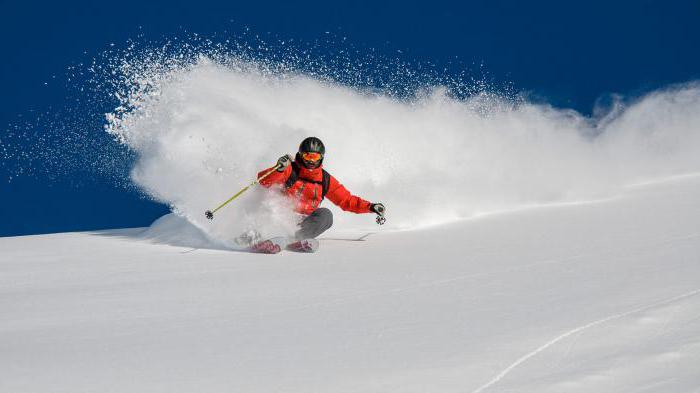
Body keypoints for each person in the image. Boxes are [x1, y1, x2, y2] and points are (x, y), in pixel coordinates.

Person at [251, 136, 385, 252]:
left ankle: (293, 238)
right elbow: (263, 181)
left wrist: (371, 207)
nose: (311, 161)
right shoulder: (289, 169)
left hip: (304, 222)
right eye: (307, 156)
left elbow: (346, 200)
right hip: (281, 215)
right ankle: (254, 235)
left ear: (321, 157)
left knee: (326, 215)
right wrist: (278, 169)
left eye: (314, 156)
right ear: (301, 155)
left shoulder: (325, 179)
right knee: (266, 204)